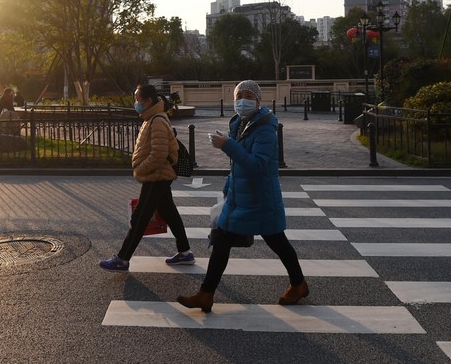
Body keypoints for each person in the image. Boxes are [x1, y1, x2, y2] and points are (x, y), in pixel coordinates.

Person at [177, 80, 308, 312]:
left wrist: (227, 145)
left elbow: (257, 165)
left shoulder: (265, 129)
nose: (242, 100)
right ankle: (206, 294)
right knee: (221, 241)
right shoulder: (239, 124)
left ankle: (298, 284)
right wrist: (228, 189)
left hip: (261, 199)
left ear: (258, 101)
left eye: (249, 96)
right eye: (239, 96)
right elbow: (238, 165)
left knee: (278, 242)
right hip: (240, 199)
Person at [100, 84, 194, 271]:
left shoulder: (157, 120)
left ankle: (122, 258)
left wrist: (141, 169)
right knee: (169, 212)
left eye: (137, 100)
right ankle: (185, 252)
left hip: (157, 175)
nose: (136, 103)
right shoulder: (151, 117)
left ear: (148, 101)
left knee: (140, 217)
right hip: (159, 174)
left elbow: (159, 153)